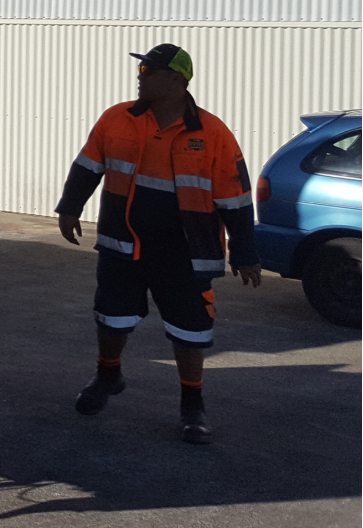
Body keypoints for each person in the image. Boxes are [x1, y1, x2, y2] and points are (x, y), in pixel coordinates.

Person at [56, 44, 259, 445]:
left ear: (178, 81)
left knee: (190, 331)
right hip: (123, 245)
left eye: (150, 69)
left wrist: (246, 250)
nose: (141, 75)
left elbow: (235, 196)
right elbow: (86, 167)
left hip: (186, 254)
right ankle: (108, 375)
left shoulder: (212, 134)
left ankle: (192, 405)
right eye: (142, 68)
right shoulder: (117, 120)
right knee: (111, 318)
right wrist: (69, 207)